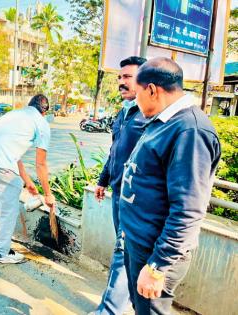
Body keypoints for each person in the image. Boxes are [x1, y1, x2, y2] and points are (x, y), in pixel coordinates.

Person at [119, 57, 221, 314]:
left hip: (156, 252)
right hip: (139, 242)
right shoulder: (162, 121)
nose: (135, 100)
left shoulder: (190, 131)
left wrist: (157, 266)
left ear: (152, 89)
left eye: (138, 93)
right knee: (140, 307)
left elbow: (188, 210)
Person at [92, 56, 147, 315]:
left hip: (135, 199)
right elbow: (115, 151)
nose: (121, 82)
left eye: (128, 77)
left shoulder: (149, 114)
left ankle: (109, 310)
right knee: (124, 253)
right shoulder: (124, 111)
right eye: (120, 77)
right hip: (117, 193)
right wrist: (103, 180)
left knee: (123, 252)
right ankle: (124, 304)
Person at [0, 94, 55, 264]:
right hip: (0, 159)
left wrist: (28, 182)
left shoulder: (15, 114)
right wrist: (48, 195)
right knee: (8, 208)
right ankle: (1, 253)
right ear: (45, 111)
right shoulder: (42, 124)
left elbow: (13, 153)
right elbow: (40, 164)